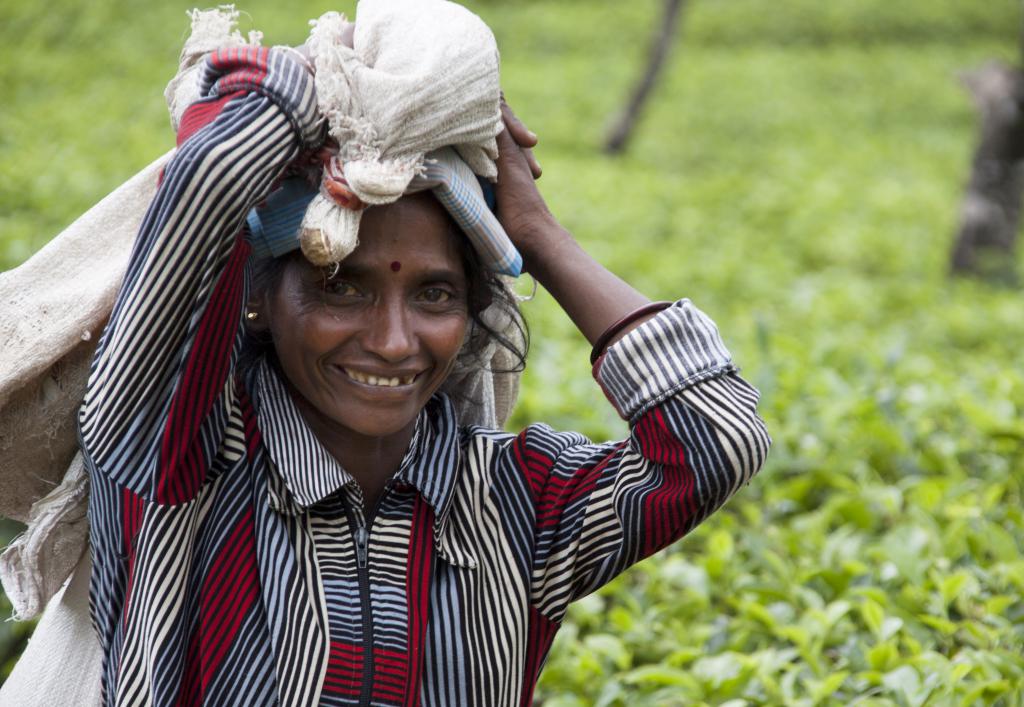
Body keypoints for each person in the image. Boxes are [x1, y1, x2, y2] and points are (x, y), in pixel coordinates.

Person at [76, 8, 770, 707]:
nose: (393, 340)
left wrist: (538, 233)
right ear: (261, 296)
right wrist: (328, 98)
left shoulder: (513, 501)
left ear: (472, 312)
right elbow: (215, 173)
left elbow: (716, 439)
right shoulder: (181, 464)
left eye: (436, 294)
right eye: (341, 286)